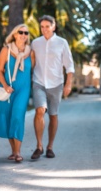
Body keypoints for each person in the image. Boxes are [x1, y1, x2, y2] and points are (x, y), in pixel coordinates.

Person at [30, 15, 74, 160]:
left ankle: (50, 147)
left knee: (53, 115)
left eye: (47, 27)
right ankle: (39, 146)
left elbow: (69, 65)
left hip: (56, 84)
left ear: (53, 27)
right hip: (39, 82)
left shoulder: (62, 43)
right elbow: (30, 61)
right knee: (40, 111)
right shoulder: (35, 43)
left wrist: (68, 84)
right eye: (42, 27)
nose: (44, 30)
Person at [0, 24, 35, 163]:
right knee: (7, 118)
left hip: (23, 90)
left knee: (17, 116)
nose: (24, 35)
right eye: (21, 32)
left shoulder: (31, 52)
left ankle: (17, 152)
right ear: (15, 34)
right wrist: (5, 86)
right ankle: (13, 151)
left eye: (26, 33)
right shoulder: (6, 50)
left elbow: (32, 71)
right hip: (8, 89)